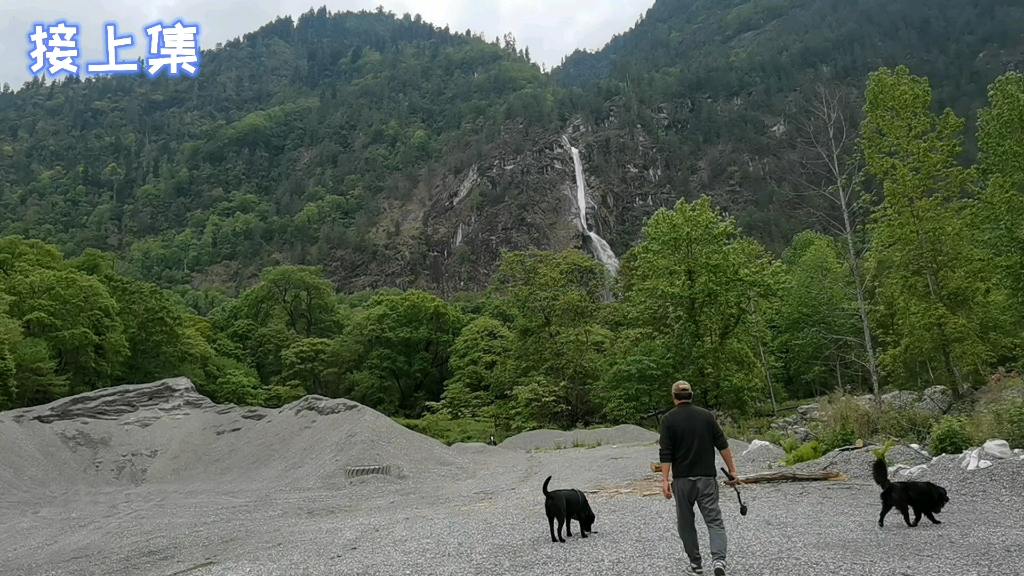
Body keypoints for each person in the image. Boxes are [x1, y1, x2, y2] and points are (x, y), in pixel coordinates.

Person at [659, 380, 738, 576]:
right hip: (706, 479)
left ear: (674, 397)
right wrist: (732, 470)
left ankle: (696, 565)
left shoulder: (668, 420)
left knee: (686, 523)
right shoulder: (707, 416)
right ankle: (719, 561)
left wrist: (664, 480)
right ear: (691, 396)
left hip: (682, 481)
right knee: (714, 521)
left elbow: (665, 453)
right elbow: (722, 445)